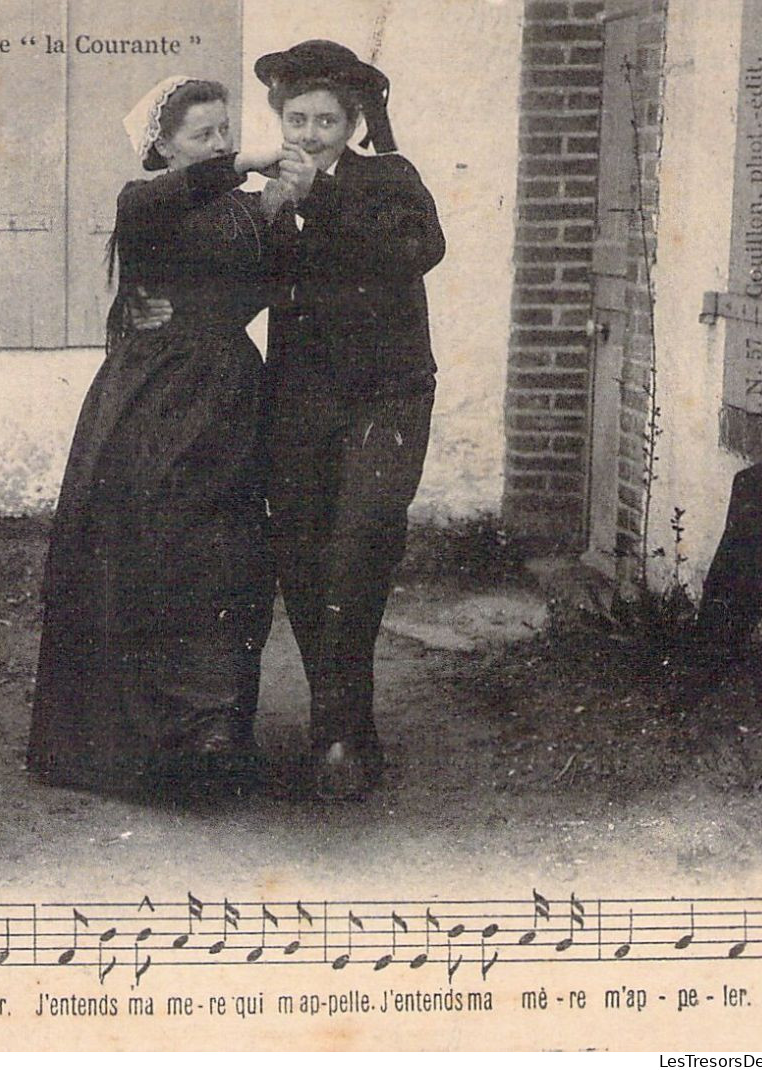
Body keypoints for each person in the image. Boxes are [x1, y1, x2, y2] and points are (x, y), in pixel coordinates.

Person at [27, 77, 283, 798]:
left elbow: (258, 288)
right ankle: (133, 737)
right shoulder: (144, 201)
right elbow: (164, 202)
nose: (222, 144)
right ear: (162, 146)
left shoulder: (245, 210)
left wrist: (278, 207)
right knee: (152, 551)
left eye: (226, 130)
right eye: (203, 134)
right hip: (156, 400)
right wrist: (242, 164)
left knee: (225, 557)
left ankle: (211, 729)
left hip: (228, 392)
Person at [253, 40, 447, 800]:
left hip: (385, 396)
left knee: (360, 544)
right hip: (299, 401)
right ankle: (339, 726)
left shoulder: (386, 178)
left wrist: (318, 201)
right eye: (294, 118)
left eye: (324, 121)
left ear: (351, 123)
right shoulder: (268, 189)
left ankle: (339, 727)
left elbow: (418, 249)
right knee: (300, 557)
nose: (306, 135)